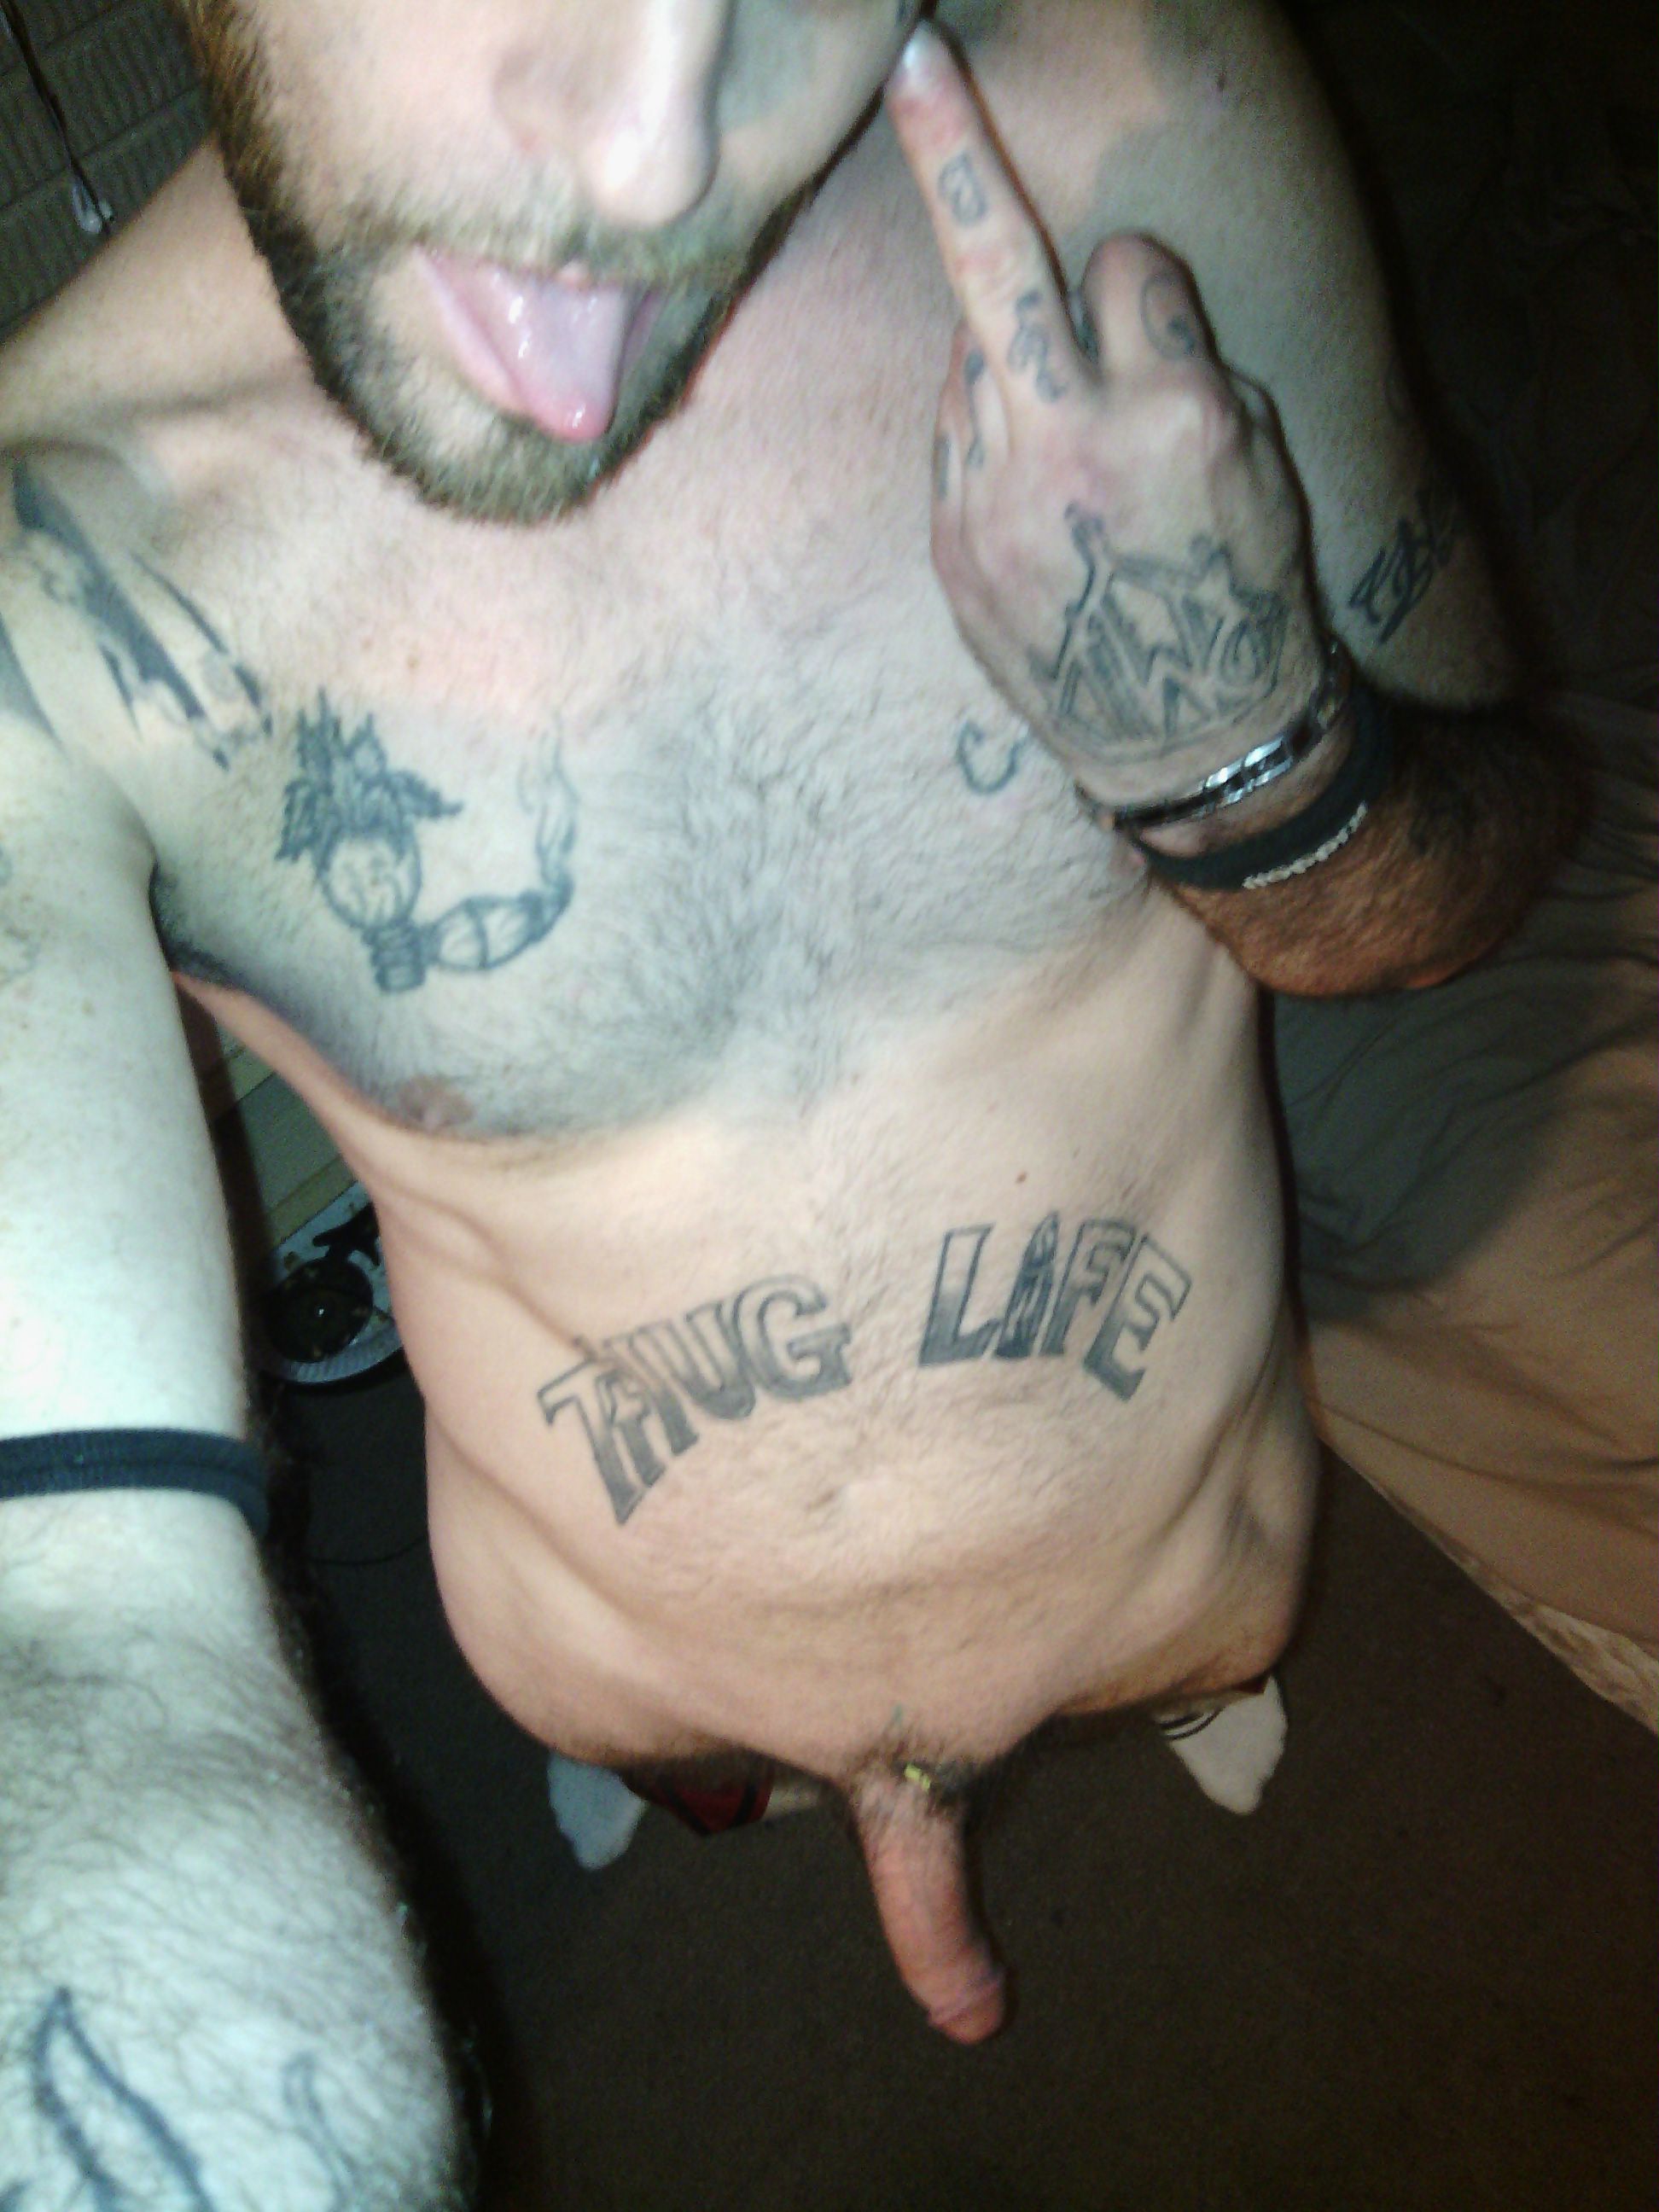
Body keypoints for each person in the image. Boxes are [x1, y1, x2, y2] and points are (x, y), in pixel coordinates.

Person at [0, 0, 1580, 2194]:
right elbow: (60, 1597)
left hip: (1182, 1576)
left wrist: (1260, 767)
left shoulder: (1153, 142)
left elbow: (1476, 870)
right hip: (617, 1663)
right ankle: (730, 1788)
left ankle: (1156, 1708)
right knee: (699, 1771)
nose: (653, 153)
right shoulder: (51, 582)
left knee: (1176, 1670)